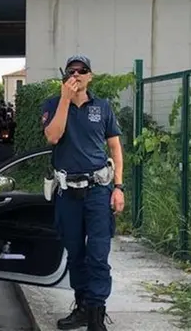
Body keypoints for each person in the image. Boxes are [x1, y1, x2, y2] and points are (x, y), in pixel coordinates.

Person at [40, 55, 125, 331]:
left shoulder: (102, 107)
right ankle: (82, 306)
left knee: (98, 255)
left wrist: (119, 188)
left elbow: (115, 148)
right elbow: (53, 137)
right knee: (75, 253)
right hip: (68, 192)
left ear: (90, 76)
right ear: (64, 76)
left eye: (82, 71)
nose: (77, 75)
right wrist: (65, 99)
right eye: (71, 71)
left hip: (98, 191)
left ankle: (96, 318)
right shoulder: (52, 105)